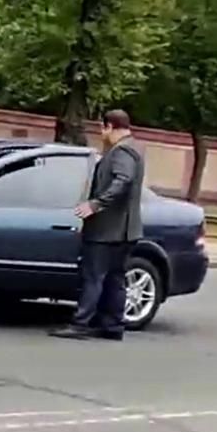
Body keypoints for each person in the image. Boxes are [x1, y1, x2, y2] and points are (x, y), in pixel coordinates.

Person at [51, 109, 145, 341]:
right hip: (125, 230)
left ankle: (81, 324)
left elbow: (123, 180)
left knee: (94, 277)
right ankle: (112, 326)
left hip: (107, 230)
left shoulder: (122, 152)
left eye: (102, 129)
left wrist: (96, 204)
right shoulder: (135, 148)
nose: (102, 134)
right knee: (115, 278)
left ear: (109, 126)